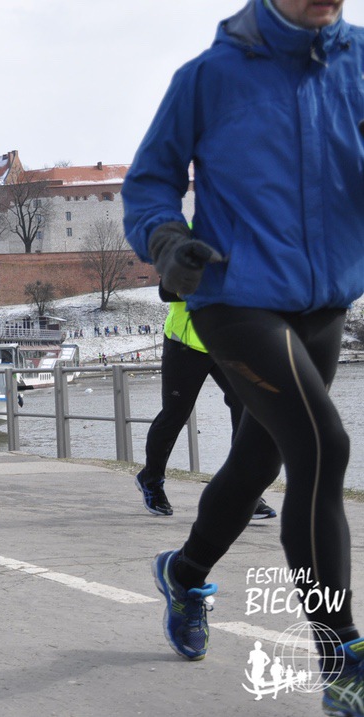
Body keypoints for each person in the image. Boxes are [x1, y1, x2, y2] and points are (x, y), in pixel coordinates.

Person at [121, 2, 364, 713]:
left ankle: (185, 571)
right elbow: (149, 180)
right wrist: (165, 239)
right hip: (233, 298)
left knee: (261, 459)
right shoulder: (209, 76)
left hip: (323, 303)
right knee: (321, 444)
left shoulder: (357, 62)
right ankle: (342, 656)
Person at [135, 299, 276, 521]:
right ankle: (151, 479)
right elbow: (168, 289)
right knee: (175, 414)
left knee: (247, 409)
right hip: (185, 343)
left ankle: (242, 492)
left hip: (227, 343)